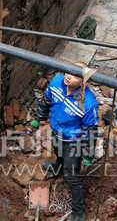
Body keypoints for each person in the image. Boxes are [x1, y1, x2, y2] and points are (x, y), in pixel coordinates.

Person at [31, 63, 99, 221]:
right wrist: (38, 117)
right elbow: (46, 101)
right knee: (57, 151)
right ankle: (58, 168)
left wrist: (88, 154)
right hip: (57, 133)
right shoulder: (56, 82)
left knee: (72, 176)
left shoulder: (87, 102)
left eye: (75, 75)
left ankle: (78, 211)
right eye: (69, 72)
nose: (68, 76)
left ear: (83, 82)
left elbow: (90, 130)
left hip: (73, 142)